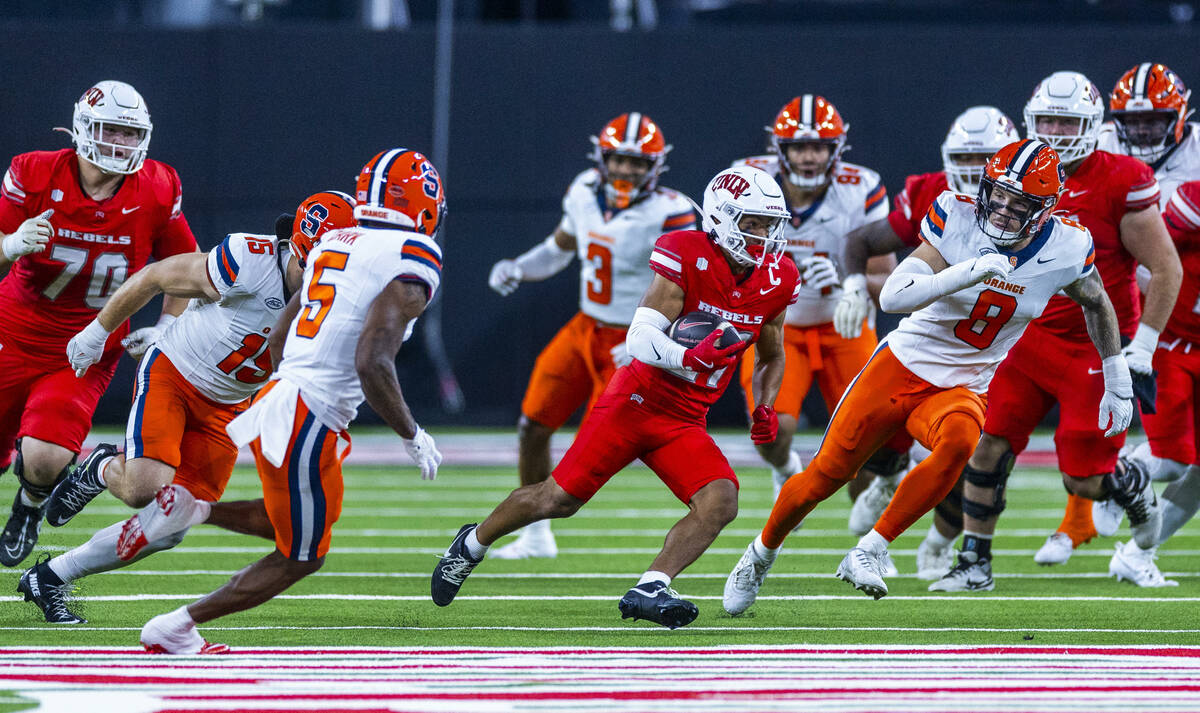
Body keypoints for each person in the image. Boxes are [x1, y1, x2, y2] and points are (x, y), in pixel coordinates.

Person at [724, 139, 1134, 613]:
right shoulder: (957, 217)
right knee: (826, 475)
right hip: (902, 364)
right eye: (996, 195)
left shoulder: (1067, 246)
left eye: (1017, 203)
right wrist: (970, 272)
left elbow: (1097, 300)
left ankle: (870, 550)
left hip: (964, 383)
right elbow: (894, 297)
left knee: (961, 441)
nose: (1000, 210)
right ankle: (759, 555)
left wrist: (1115, 373)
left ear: (1043, 210)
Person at [432, 165, 800, 629]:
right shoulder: (686, 251)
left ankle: (651, 586)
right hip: (637, 401)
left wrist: (765, 403)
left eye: (771, 224)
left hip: (686, 417)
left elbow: (771, 352)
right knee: (557, 500)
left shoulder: (778, 277)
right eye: (754, 223)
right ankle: (471, 544)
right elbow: (640, 336)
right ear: (723, 219)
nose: (766, 236)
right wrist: (690, 358)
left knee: (721, 500)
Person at [136, 149, 446, 653]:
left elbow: (281, 334)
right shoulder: (414, 254)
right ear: (424, 205)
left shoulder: (336, 241)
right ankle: (175, 627)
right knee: (302, 554)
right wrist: (412, 434)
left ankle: (195, 510)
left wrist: (294, 386)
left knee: (305, 521)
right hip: (309, 412)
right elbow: (372, 360)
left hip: (285, 399)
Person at [15, 192, 355, 624]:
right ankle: (102, 468)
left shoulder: (343, 293)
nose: (329, 277)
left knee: (168, 526)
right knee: (142, 487)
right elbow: (157, 275)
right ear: (301, 249)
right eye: (321, 265)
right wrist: (100, 332)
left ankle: (50, 576)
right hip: (175, 374)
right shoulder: (249, 260)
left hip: (229, 406)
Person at [926, 71, 1182, 592]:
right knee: (986, 442)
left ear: (1093, 125)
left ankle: (1130, 488)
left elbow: (1166, 267)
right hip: (1026, 336)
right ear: (1028, 122)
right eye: (1048, 121)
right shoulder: (1013, 171)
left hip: (1092, 342)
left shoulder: (1121, 178)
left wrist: (1142, 349)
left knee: (1083, 479)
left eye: (1069, 121)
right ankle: (974, 562)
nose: (1059, 132)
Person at [0, 80, 198, 567]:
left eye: (131, 134)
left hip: (86, 346)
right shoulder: (34, 171)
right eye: (111, 130)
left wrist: (168, 324)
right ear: (84, 129)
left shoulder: (157, 185)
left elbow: (186, 267)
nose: (122, 144)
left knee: (45, 460)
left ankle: (28, 506)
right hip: (14, 330)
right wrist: (9, 245)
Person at [485, 113, 695, 560]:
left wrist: (653, 334)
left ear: (656, 166)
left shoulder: (673, 211)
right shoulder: (582, 190)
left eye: (638, 163)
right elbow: (561, 247)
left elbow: (696, 288)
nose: (627, 170)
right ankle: (536, 537)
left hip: (630, 341)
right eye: (620, 159)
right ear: (602, 158)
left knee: (595, 454)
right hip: (585, 328)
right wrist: (520, 267)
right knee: (533, 426)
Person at [838, 106, 1019, 578]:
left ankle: (940, 540)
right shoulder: (931, 194)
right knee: (876, 440)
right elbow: (862, 241)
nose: (976, 169)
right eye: (965, 156)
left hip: (989, 351)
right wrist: (856, 286)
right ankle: (890, 473)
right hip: (923, 345)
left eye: (987, 158)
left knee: (973, 456)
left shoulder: (1034, 211)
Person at [731, 95, 899, 511]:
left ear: (835, 148)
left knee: (865, 439)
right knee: (770, 430)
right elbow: (723, 261)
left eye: (819, 146)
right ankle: (785, 469)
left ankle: (866, 541)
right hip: (775, 325)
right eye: (800, 146)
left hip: (843, 324)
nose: (809, 156)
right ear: (780, 149)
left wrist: (849, 281)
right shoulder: (745, 180)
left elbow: (889, 280)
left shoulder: (860, 187)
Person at [1098, 63, 1200, 586]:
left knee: (1194, 473)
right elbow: (1159, 248)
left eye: (1154, 123)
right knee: (1175, 459)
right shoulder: (1103, 152)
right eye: (1131, 124)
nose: (1141, 134)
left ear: (1181, 118)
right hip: (1168, 331)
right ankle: (1122, 475)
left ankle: (1136, 549)